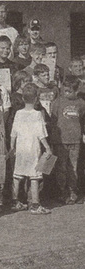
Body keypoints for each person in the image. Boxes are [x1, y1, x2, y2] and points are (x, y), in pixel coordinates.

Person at [10, 83, 52, 214]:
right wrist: (48, 148)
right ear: (36, 99)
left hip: (21, 149)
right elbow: (41, 134)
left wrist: (12, 146)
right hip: (33, 150)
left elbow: (13, 132)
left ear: (23, 98)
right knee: (34, 177)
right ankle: (35, 204)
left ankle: (15, 201)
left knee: (17, 176)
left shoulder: (18, 113)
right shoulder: (37, 114)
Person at [51, 76, 85, 204]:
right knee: (61, 167)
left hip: (75, 140)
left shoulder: (81, 103)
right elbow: (53, 119)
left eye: (69, 91)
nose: (65, 93)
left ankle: (72, 191)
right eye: (64, 90)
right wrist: (54, 139)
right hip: (61, 141)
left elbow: (81, 118)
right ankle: (61, 191)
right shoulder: (58, 102)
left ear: (76, 91)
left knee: (73, 167)